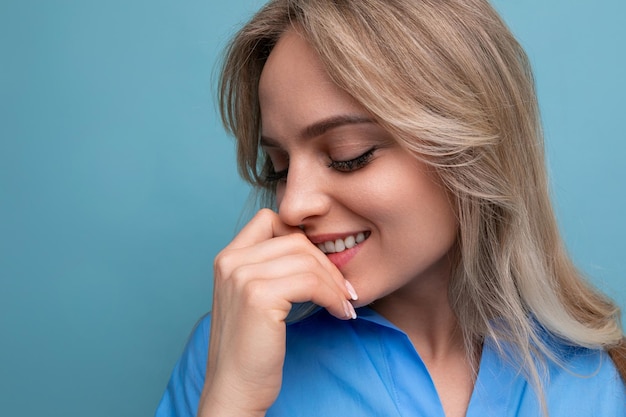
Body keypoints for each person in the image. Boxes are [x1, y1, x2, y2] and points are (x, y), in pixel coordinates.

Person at [156, 0, 626, 416]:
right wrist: (232, 402)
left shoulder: (596, 376)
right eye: (280, 169)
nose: (293, 204)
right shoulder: (228, 353)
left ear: (472, 151)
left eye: (348, 154)